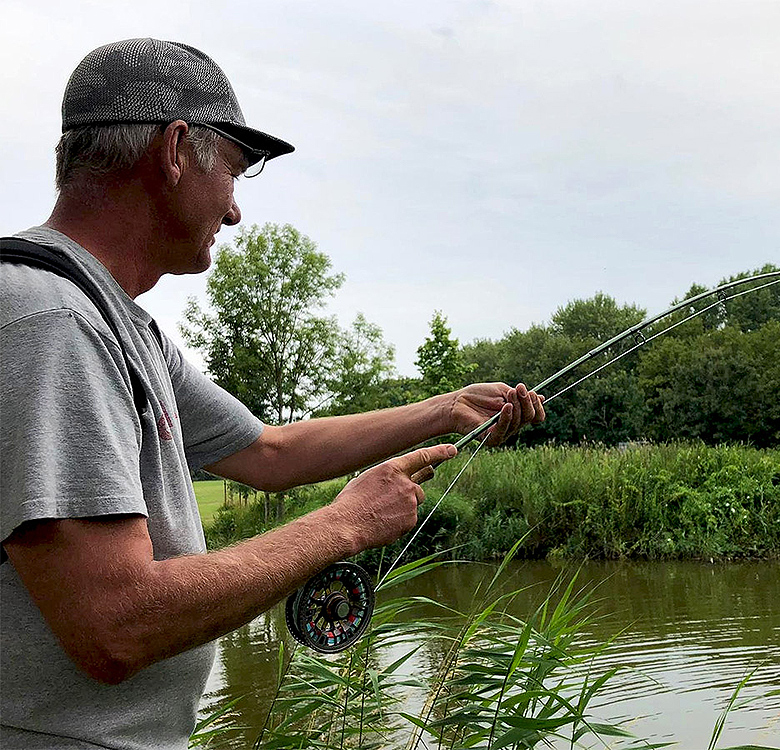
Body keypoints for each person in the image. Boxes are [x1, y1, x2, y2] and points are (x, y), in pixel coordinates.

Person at [0, 38, 544, 750]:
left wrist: (446, 410)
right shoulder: (54, 320)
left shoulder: (118, 323)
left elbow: (268, 451)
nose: (234, 214)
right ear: (174, 150)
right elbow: (115, 624)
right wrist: (342, 527)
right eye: (234, 171)